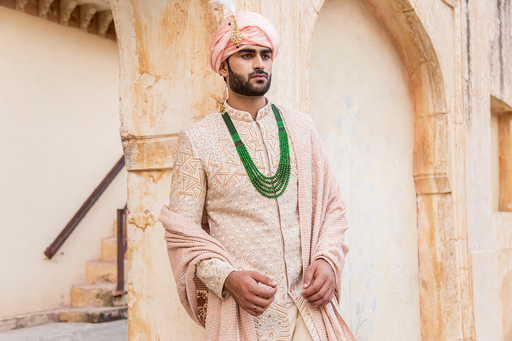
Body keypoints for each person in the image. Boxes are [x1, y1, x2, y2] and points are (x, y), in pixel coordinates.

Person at [159, 10, 356, 341]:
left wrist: (326, 259)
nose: (259, 64)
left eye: (265, 55)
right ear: (223, 66)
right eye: (246, 55)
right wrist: (227, 278)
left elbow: (332, 207)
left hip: (308, 308)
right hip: (246, 317)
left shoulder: (301, 128)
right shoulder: (198, 139)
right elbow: (183, 235)